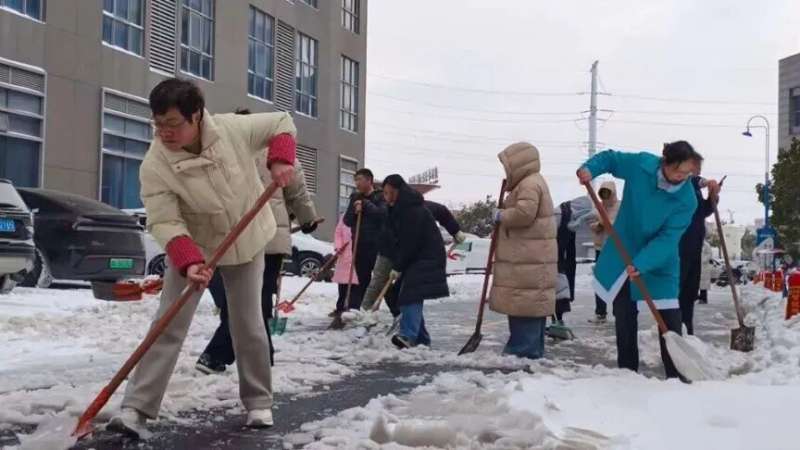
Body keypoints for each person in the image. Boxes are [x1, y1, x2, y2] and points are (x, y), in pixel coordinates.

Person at [108, 78, 297, 436]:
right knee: (168, 323)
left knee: (247, 322)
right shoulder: (155, 165)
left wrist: (280, 159)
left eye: (173, 123)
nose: (165, 133)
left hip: (246, 239)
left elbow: (281, 122)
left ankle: (258, 402)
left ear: (196, 115)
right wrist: (189, 261)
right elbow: (165, 220)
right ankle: (136, 408)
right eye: (158, 124)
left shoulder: (232, 130)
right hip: (195, 246)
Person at [196, 108, 319, 374]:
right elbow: (298, 193)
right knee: (255, 298)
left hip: (233, 236)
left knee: (241, 297)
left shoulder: (223, 151)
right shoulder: (280, 155)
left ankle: (239, 354)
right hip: (268, 237)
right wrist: (308, 219)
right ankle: (244, 354)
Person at [577, 141, 703, 379]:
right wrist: (590, 169)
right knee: (624, 313)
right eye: (678, 171)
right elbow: (611, 158)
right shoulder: (642, 165)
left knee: (669, 317)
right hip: (624, 248)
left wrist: (643, 262)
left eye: (688, 173)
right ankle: (627, 373)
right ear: (665, 162)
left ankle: (676, 377)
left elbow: (668, 238)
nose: (683, 177)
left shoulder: (687, 199)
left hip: (659, 259)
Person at [489, 142, 557, 360]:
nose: (506, 171)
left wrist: (501, 215)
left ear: (519, 164)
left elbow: (524, 214)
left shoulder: (529, 184)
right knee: (530, 306)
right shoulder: (532, 182)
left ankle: (522, 353)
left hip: (528, 260)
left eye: (507, 166)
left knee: (525, 306)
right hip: (528, 259)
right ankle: (530, 350)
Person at [361, 196, 466, 315]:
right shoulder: (389, 211)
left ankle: (400, 316)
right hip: (388, 250)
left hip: (411, 255)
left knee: (405, 289)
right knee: (378, 282)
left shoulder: (423, 207)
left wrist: (455, 231)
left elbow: (442, 211)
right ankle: (365, 313)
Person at [381, 175, 449, 348]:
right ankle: (421, 339)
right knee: (399, 293)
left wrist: (398, 266)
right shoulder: (397, 209)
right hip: (414, 257)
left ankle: (408, 335)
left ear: (398, 191)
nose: (387, 197)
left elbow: (410, 242)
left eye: (389, 192)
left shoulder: (411, 210)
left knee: (410, 293)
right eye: (385, 193)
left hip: (427, 256)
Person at [678, 162, 720, 335]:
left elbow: (703, 211)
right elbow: (696, 180)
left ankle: (687, 330)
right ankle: (676, 329)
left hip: (695, 245)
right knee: (679, 291)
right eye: (696, 169)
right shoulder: (681, 183)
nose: (698, 173)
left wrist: (713, 196)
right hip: (680, 245)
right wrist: (706, 182)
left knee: (690, 292)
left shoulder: (694, 188)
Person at [340, 169, 387, 312]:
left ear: (369, 180)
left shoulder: (380, 196)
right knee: (360, 279)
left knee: (379, 279)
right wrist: (354, 211)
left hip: (377, 245)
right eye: (355, 180)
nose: (357, 183)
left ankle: (384, 308)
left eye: (359, 179)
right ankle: (356, 310)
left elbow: (382, 215)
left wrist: (366, 204)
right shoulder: (355, 197)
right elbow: (347, 221)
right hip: (359, 245)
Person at [588, 181, 620, 323]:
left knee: (617, 281)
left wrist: (606, 222)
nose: (606, 196)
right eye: (603, 193)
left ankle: (619, 312)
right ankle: (600, 312)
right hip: (600, 248)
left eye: (608, 193)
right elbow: (591, 224)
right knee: (600, 281)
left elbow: (621, 225)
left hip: (616, 249)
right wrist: (598, 225)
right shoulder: (598, 207)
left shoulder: (620, 207)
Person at [554, 201, 576, 325]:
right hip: (559, 259)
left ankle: (557, 320)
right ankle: (558, 319)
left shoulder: (562, 211)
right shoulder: (568, 211)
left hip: (553, 255)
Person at [333, 215, 359, 311]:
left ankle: (352, 308)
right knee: (343, 284)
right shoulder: (345, 216)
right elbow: (338, 233)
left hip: (358, 255)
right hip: (345, 254)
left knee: (355, 285)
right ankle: (340, 307)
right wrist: (338, 246)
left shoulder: (366, 215)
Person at [698, 240, 713, 304]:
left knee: (703, 286)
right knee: (695, 284)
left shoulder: (706, 245)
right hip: (697, 266)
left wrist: (703, 260)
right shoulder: (695, 243)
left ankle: (703, 299)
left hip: (704, 267)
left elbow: (709, 254)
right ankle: (696, 297)